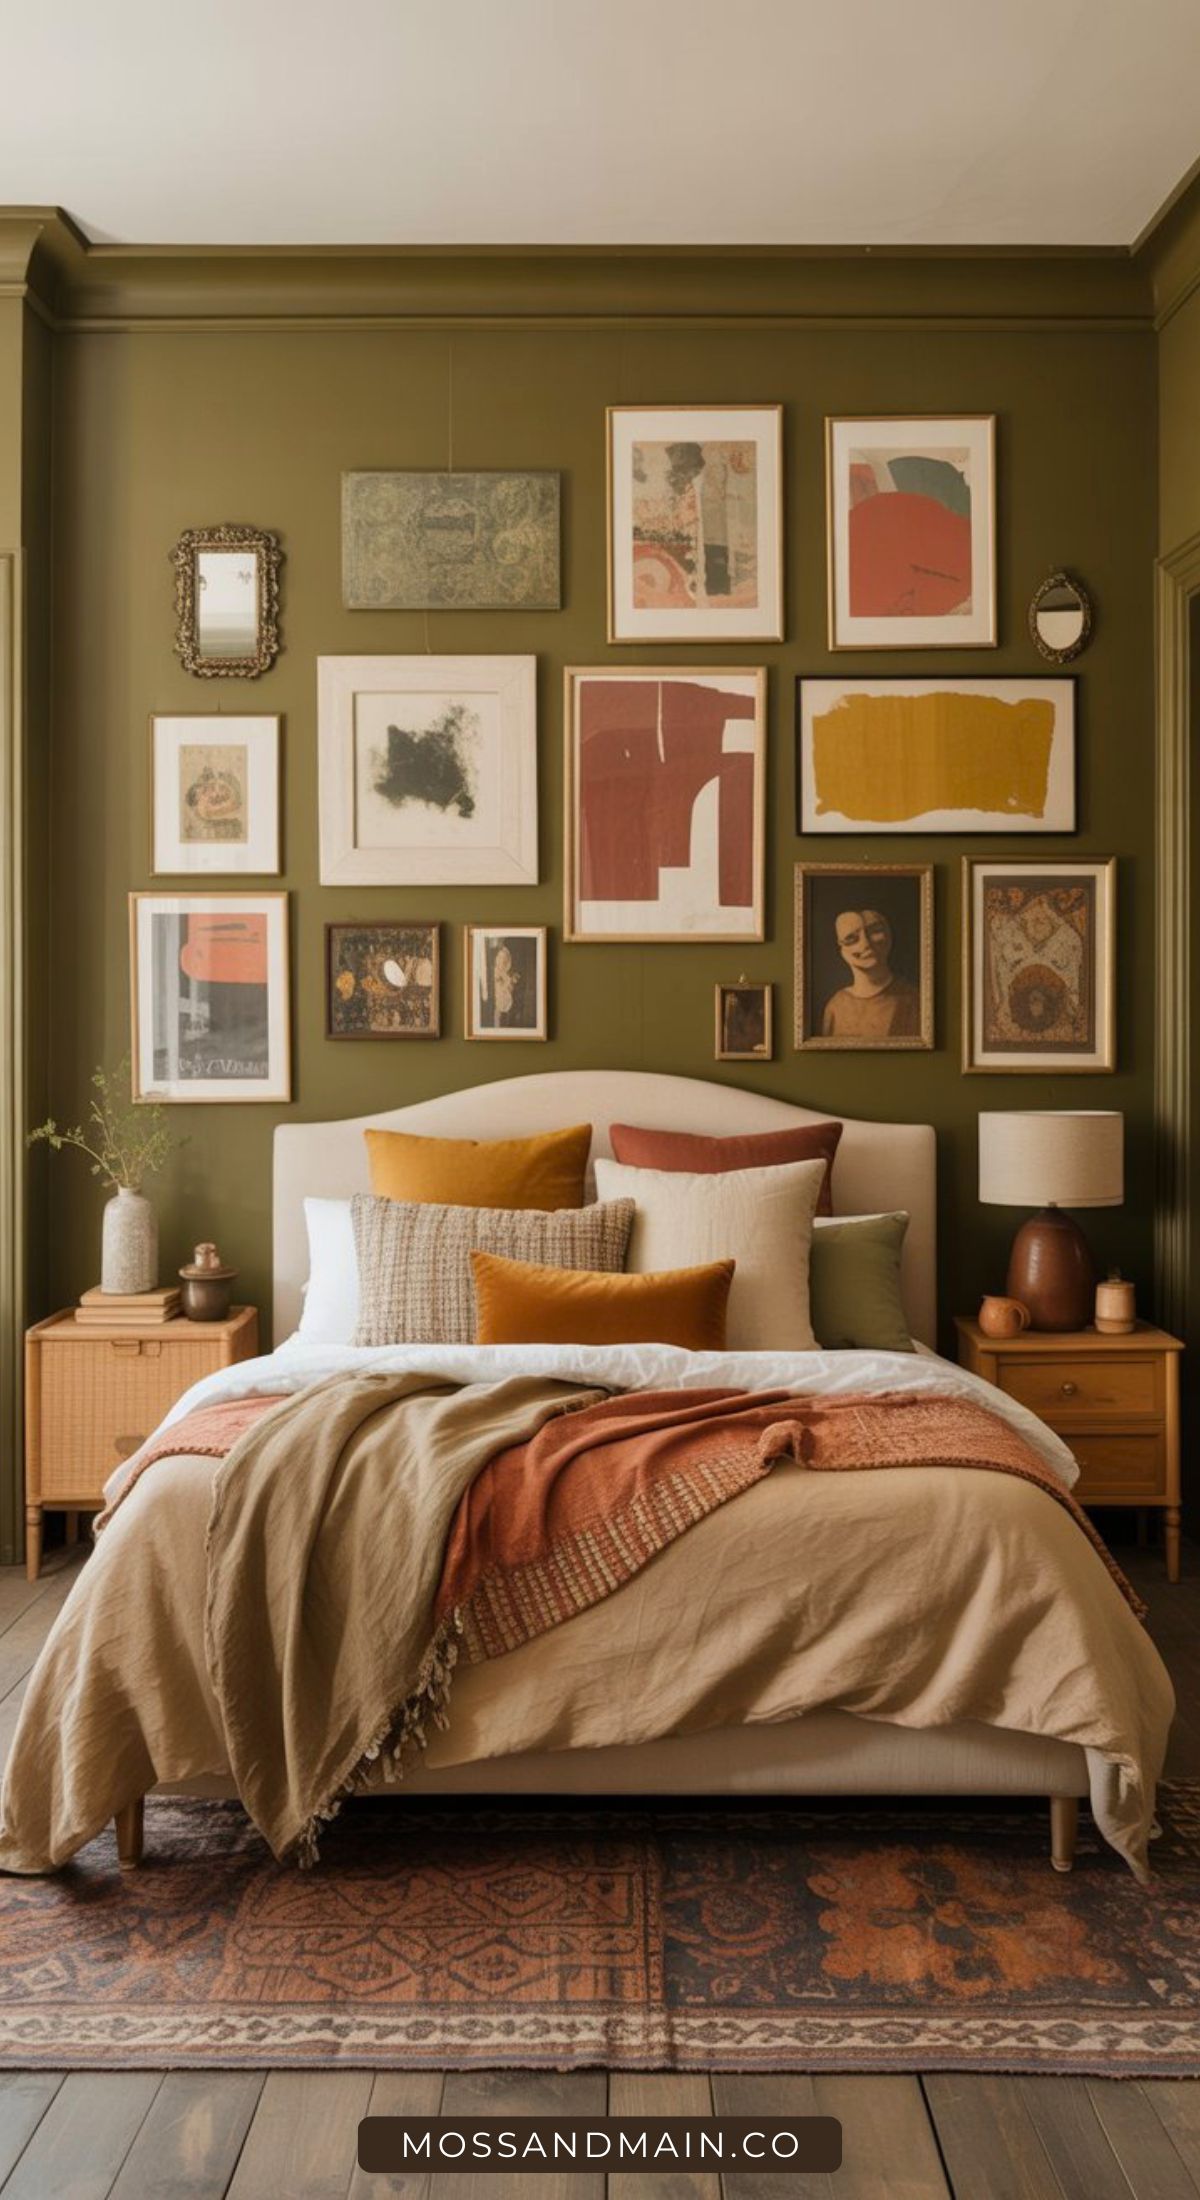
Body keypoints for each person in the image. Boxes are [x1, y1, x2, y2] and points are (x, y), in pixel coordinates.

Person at [821, 907, 921, 1039]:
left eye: (875, 931)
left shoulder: (913, 999)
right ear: (842, 950)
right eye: (851, 938)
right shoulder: (836, 1005)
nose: (866, 943)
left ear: (889, 937)